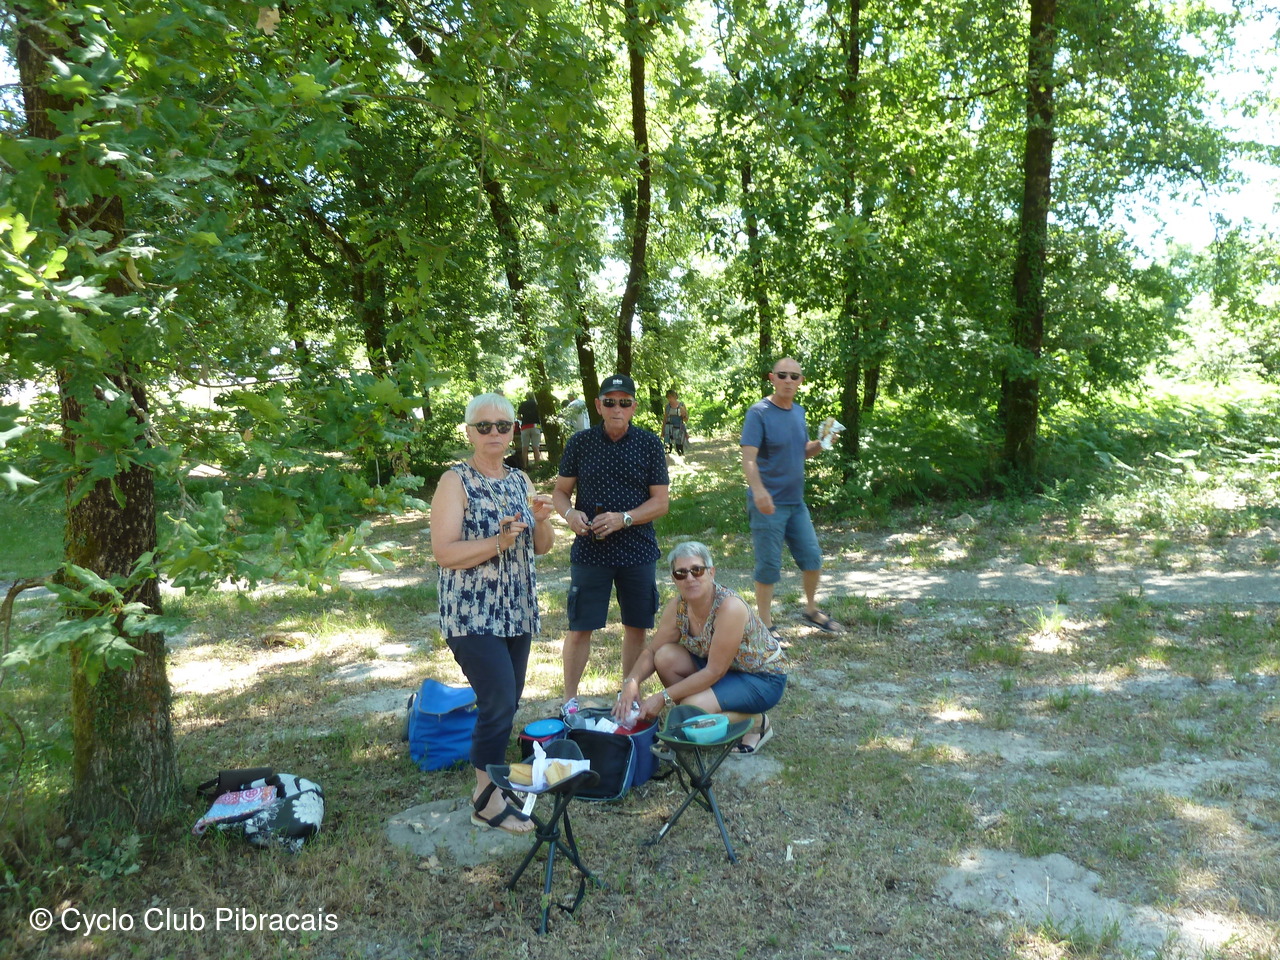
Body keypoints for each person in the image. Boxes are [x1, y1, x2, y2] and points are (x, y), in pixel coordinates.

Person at [431, 392, 556, 834]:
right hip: (472, 612)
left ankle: (492, 786)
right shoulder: (455, 481)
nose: (494, 433)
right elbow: (445, 552)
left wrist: (542, 519)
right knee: (498, 699)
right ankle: (486, 797)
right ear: (469, 432)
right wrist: (497, 543)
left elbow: (542, 547)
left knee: (507, 699)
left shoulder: (521, 480)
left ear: (513, 431)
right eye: (484, 426)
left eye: (503, 426)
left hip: (516, 609)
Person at [552, 373, 670, 716]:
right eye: (610, 402)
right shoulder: (580, 443)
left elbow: (661, 502)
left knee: (636, 626)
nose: (617, 408)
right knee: (580, 627)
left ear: (634, 407)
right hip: (590, 549)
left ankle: (627, 697)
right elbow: (560, 492)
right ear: (598, 405)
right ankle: (569, 701)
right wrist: (570, 514)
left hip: (637, 549)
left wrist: (625, 518)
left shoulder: (649, 444)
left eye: (624, 402)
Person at [612, 542, 786, 755]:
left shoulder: (729, 607)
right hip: (722, 670)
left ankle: (756, 721)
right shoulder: (678, 606)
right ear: (674, 579)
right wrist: (631, 682)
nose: (690, 578)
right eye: (681, 573)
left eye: (697, 570)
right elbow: (652, 651)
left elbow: (715, 671)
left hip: (761, 677)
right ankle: (695, 713)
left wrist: (662, 697)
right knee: (665, 656)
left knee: (692, 708)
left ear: (711, 572)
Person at [740, 357, 846, 636]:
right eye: (782, 375)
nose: (788, 380)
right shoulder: (758, 413)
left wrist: (823, 442)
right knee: (769, 566)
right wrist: (759, 491)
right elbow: (748, 458)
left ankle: (811, 610)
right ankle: (765, 625)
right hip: (767, 504)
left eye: (794, 376)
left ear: (801, 381)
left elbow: (803, 451)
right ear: (772, 378)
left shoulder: (799, 412)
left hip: (795, 503)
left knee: (812, 559)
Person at [516, 392, 542, 464]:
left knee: (524, 448)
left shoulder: (522, 404)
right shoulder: (537, 404)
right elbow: (541, 416)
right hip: (536, 426)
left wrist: (524, 419)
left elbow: (518, 417)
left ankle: (525, 466)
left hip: (525, 426)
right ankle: (537, 465)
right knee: (536, 447)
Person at [662, 388, 689, 455]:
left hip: (678, 427)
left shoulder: (681, 405)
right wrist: (663, 430)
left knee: (679, 446)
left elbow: (686, 419)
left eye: (671, 397)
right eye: (668, 397)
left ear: (675, 397)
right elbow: (665, 419)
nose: (670, 399)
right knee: (667, 446)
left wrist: (683, 415)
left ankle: (681, 456)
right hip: (668, 428)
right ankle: (667, 458)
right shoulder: (667, 406)